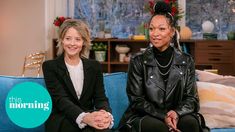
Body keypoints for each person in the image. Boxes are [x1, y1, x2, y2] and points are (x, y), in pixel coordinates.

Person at [119, 1, 200, 132]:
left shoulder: (186, 60)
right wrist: (163, 116)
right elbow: (137, 100)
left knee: (190, 124)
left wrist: (176, 113)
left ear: (172, 31)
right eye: (151, 29)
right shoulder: (138, 60)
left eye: (161, 29)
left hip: (177, 114)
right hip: (146, 115)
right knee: (159, 128)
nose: (155, 33)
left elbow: (192, 99)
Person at [42, 19, 113, 132]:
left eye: (78, 39)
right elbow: (61, 100)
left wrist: (105, 114)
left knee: (104, 129)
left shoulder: (95, 66)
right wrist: (85, 118)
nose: (72, 43)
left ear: (84, 42)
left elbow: (100, 98)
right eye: (68, 38)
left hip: (89, 116)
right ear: (61, 40)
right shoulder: (50, 67)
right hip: (62, 119)